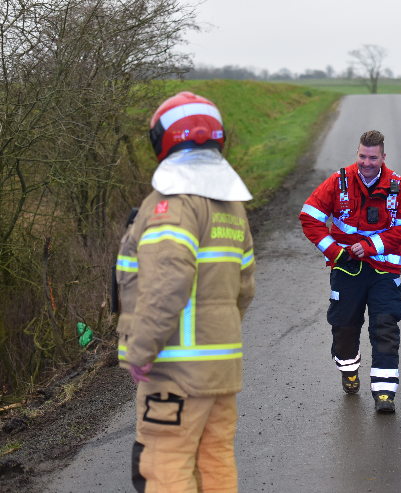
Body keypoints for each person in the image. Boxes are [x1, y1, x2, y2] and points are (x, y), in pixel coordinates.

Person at [115, 91, 255, 492]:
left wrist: (140, 351)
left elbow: (166, 285)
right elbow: (244, 289)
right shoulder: (231, 206)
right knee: (215, 463)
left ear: (163, 140)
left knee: (163, 465)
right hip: (220, 368)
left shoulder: (171, 205)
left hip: (173, 370)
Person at [299, 130, 401, 413]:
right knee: (344, 327)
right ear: (358, 154)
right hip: (346, 269)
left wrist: (371, 245)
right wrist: (336, 252)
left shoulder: (398, 187)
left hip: (384, 271)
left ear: (383, 158)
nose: (366, 162)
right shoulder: (338, 182)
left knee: (385, 327)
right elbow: (309, 217)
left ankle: (385, 393)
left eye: (372, 157)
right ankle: (349, 371)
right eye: (362, 156)